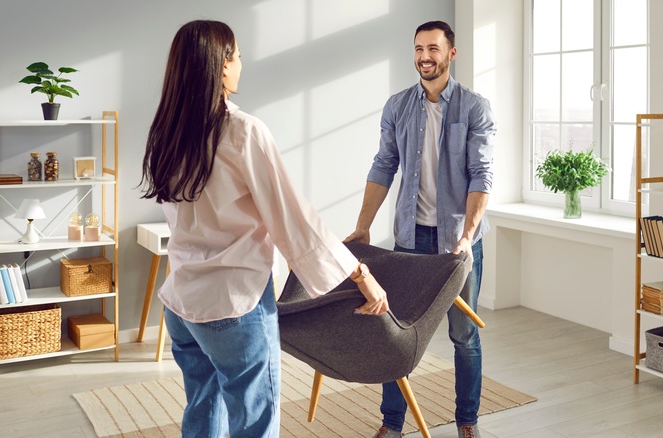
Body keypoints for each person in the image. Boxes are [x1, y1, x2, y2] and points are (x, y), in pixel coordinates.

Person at [140, 20, 390, 438]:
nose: (241, 62)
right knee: (255, 424)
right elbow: (293, 217)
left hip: (182, 303)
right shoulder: (242, 131)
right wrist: (361, 274)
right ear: (220, 66)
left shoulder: (168, 131)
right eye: (236, 55)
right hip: (233, 306)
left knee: (202, 412)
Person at [345, 20, 495, 438]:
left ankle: (468, 422)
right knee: (397, 332)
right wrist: (362, 227)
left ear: (452, 53)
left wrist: (466, 236)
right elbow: (383, 166)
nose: (424, 57)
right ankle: (391, 424)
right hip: (410, 240)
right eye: (418, 49)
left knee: (464, 335)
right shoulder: (397, 106)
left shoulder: (474, 107)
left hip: (457, 245)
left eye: (433, 48)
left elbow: (482, 174)